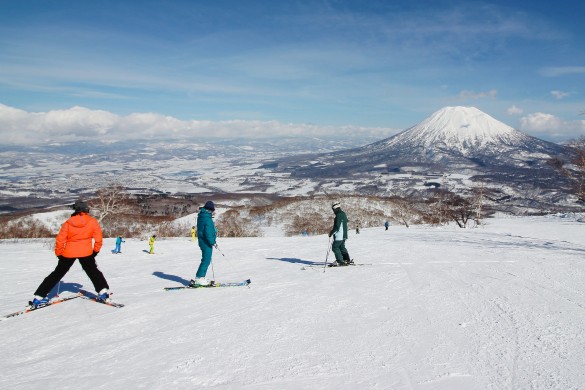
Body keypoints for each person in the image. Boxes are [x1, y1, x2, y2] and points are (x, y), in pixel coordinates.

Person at [30, 199, 111, 307]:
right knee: (93, 272)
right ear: (86, 210)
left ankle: (38, 298)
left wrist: (59, 253)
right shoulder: (92, 222)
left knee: (56, 274)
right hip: (86, 252)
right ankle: (103, 293)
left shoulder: (68, 223)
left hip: (68, 253)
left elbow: (60, 240)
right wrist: (95, 251)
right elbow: (98, 239)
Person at [190, 201, 217, 286]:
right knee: (206, 260)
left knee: (205, 260)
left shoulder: (201, 216)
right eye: (212, 210)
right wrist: (212, 242)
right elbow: (208, 232)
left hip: (202, 241)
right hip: (206, 242)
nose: (213, 212)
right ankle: (199, 278)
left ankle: (200, 277)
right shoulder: (207, 219)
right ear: (210, 210)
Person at [328, 202, 353, 266]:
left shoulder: (338, 215)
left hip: (339, 235)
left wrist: (331, 233)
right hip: (344, 235)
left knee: (335, 247)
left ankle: (340, 261)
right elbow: (346, 222)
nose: (333, 211)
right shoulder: (343, 214)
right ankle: (346, 260)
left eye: (333, 209)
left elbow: (337, 227)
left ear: (335, 208)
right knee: (342, 247)